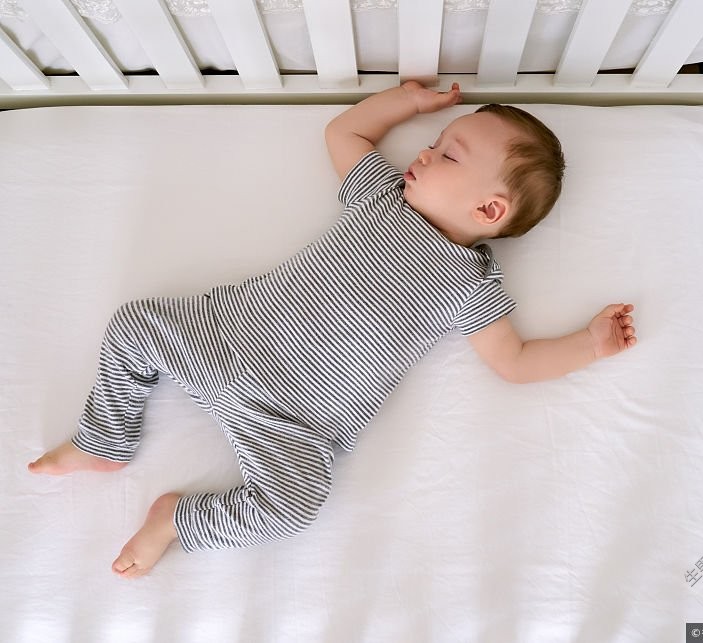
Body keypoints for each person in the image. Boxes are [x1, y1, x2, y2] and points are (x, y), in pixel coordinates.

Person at [28, 81, 637, 578]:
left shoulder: (473, 285)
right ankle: (102, 440)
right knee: (134, 324)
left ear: (489, 210)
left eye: (448, 154)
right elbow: (344, 132)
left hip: (295, 419)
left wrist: (589, 344)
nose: (424, 152)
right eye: (434, 141)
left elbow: (515, 360)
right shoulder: (383, 199)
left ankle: (177, 521)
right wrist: (408, 102)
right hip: (223, 339)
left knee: (295, 505)